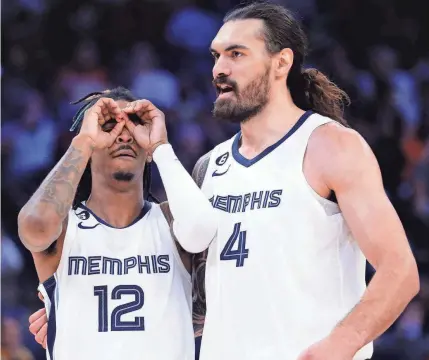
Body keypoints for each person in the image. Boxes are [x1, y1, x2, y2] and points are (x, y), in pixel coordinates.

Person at [29, 2, 421, 360]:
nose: (219, 69)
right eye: (216, 56)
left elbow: (399, 271)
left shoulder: (329, 145)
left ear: (281, 62)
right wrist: (80, 314)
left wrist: (342, 342)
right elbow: (198, 307)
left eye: (236, 54)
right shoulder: (208, 168)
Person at [18, 87, 197, 360]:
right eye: (109, 125)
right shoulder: (65, 228)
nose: (124, 134)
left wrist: (161, 147)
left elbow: (220, 299)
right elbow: (34, 227)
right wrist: (84, 141)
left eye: (135, 124)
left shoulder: (175, 222)